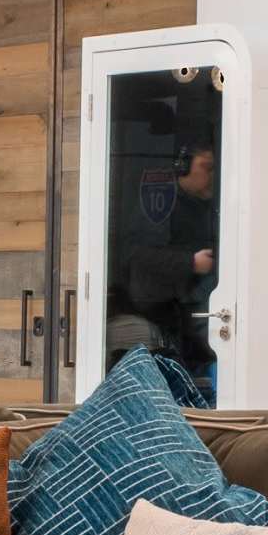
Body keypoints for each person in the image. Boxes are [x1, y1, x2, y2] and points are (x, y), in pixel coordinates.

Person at [113, 141, 219, 379]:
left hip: (186, 306)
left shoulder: (202, 206)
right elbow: (138, 255)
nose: (212, 175)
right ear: (183, 168)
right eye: (207, 168)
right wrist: (190, 262)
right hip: (160, 309)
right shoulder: (161, 202)